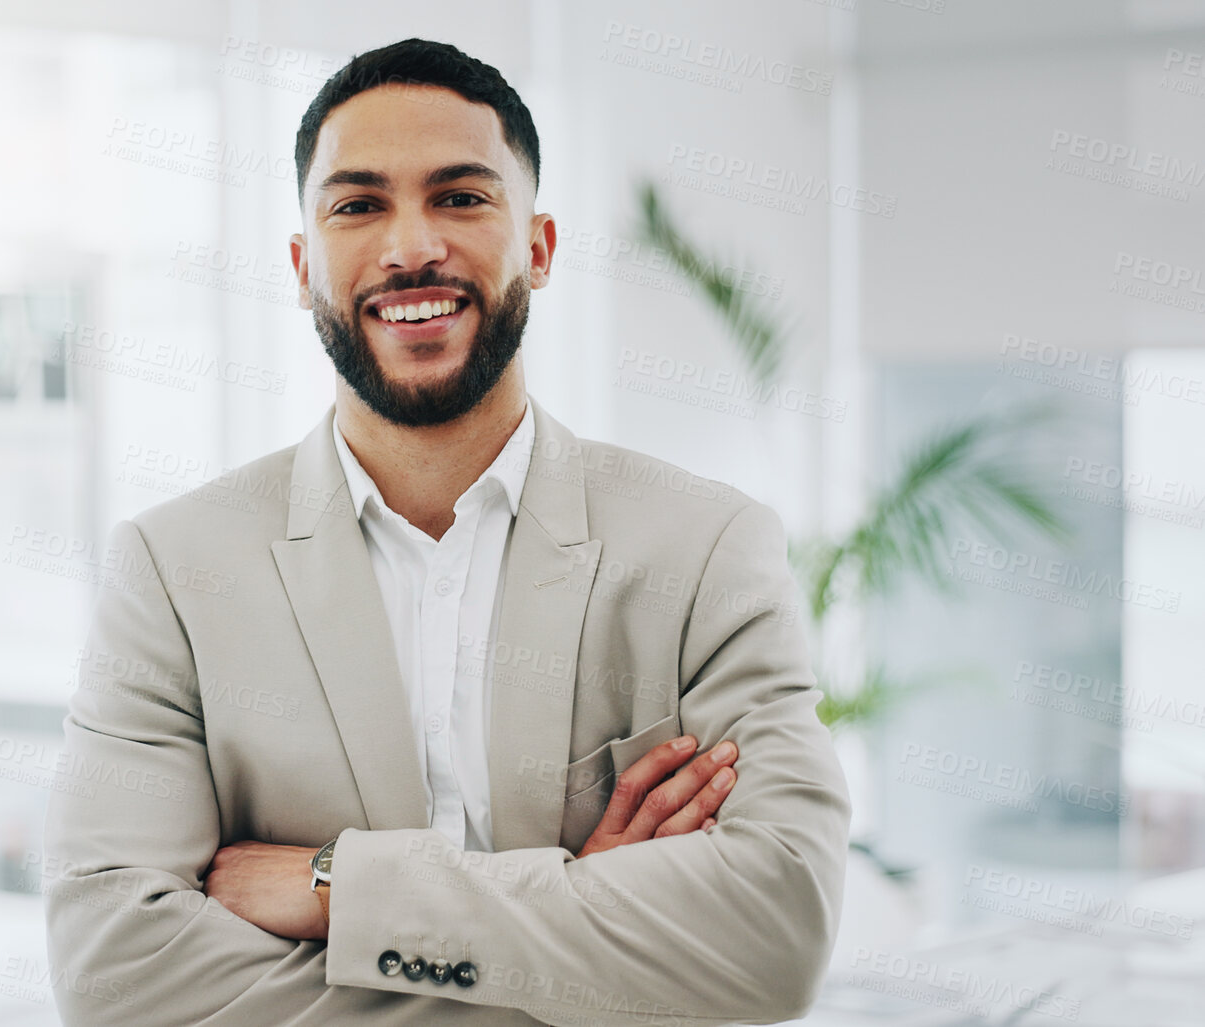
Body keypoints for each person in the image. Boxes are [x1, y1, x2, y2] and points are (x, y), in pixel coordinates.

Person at [43, 37, 849, 1026]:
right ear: (302, 268)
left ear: (539, 248)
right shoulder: (172, 571)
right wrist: (580, 937)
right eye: (357, 204)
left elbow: (774, 938)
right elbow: (115, 972)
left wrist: (344, 889)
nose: (410, 246)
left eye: (461, 197)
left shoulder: (709, 549)